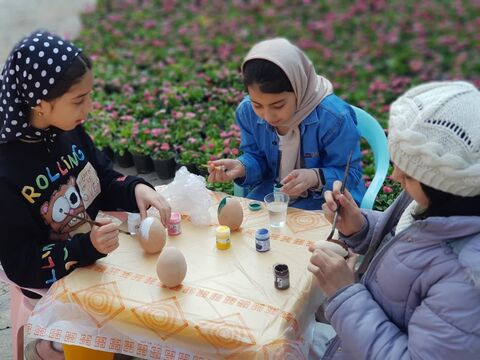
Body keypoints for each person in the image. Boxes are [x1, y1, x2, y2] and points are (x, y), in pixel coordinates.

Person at [0, 30, 171, 360]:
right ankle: (60, 344)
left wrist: (136, 188)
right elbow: (21, 263)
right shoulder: (7, 171)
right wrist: (85, 247)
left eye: (89, 96)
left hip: (96, 255)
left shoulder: (67, 130)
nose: (89, 108)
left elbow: (102, 178)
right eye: (79, 100)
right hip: (53, 283)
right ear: (39, 103)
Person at [308, 81, 480, 359]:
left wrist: (344, 293)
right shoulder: (434, 199)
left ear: (449, 190)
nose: (395, 176)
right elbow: (411, 241)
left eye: (408, 174)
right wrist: (361, 226)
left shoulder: (466, 282)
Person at [207, 38, 365, 210]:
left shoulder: (335, 118)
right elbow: (257, 157)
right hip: (273, 194)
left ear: (299, 88)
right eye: (257, 105)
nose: (268, 116)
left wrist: (315, 177)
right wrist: (242, 166)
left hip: (327, 201)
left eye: (278, 105)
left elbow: (351, 174)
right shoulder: (247, 112)